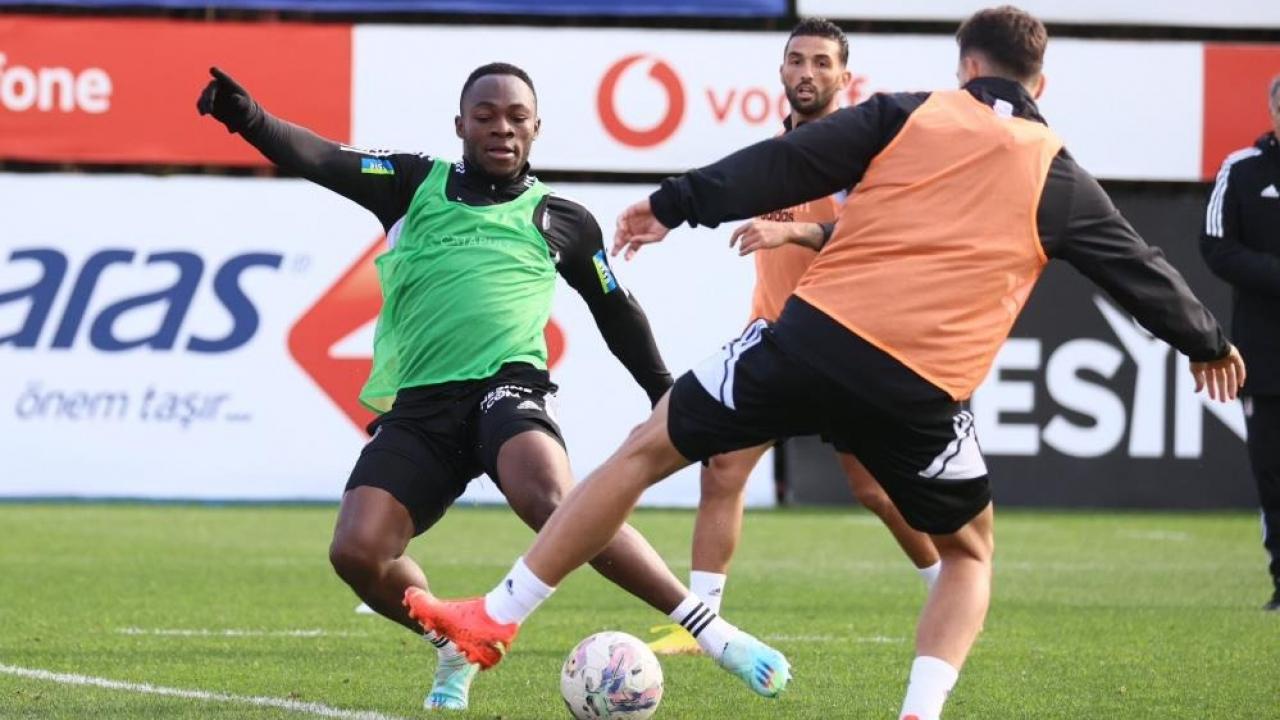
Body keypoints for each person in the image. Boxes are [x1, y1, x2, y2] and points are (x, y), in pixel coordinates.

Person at [407, 7, 1246, 719]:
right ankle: (918, 713)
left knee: (645, 449)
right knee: (969, 557)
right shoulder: (1058, 176)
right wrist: (1208, 341)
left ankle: (498, 614)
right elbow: (1138, 268)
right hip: (923, 387)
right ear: (1042, 83)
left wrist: (672, 204)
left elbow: (786, 162)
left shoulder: (909, 114)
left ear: (965, 67)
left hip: (811, 340)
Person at [196, 62, 694, 711]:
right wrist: (249, 119)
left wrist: (665, 393)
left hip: (508, 390)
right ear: (460, 125)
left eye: (516, 117)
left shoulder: (563, 219)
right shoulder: (411, 183)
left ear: (537, 128)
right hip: (424, 406)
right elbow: (320, 156)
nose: (501, 127)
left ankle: (705, 626)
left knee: (550, 497)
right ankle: (452, 642)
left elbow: (616, 310)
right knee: (357, 552)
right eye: (485, 116)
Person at [647, 17, 940, 658]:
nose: (807, 73)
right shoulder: (775, 158)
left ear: (845, 77)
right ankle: (701, 625)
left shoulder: (864, 159)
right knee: (722, 469)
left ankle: (948, 585)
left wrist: (795, 232)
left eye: (821, 62)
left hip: (845, 346)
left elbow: (882, 240)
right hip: (771, 343)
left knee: (875, 491)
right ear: (781, 71)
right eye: (797, 60)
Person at [1201, 73, 1280, 612]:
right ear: (1272, 109)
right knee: (1273, 474)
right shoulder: (1243, 170)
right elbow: (1216, 246)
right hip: (1267, 356)